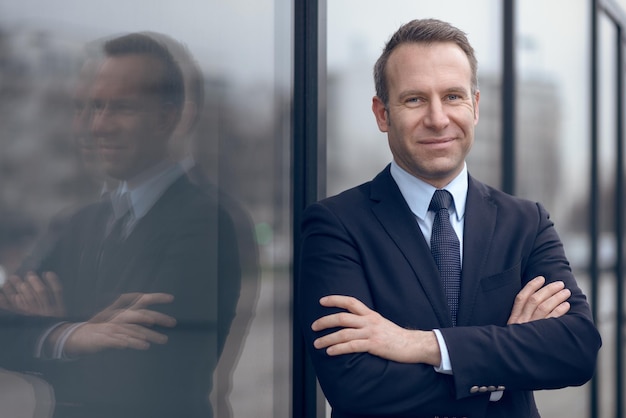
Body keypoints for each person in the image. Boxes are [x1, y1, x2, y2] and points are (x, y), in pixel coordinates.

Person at [298, 18, 601, 418]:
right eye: (414, 99)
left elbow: (576, 349)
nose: (438, 119)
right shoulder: (335, 226)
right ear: (382, 113)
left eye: (453, 96)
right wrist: (504, 365)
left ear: (475, 107)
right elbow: (356, 385)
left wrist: (424, 345)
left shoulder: (526, 223)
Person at [0, 32, 242, 418]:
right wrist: (74, 335)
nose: (99, 125)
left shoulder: (205, 223)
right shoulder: (77, 222)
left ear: (168, 117)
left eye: (122, 108)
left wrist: (45, 329)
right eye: (94, 107)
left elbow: (139, 374)